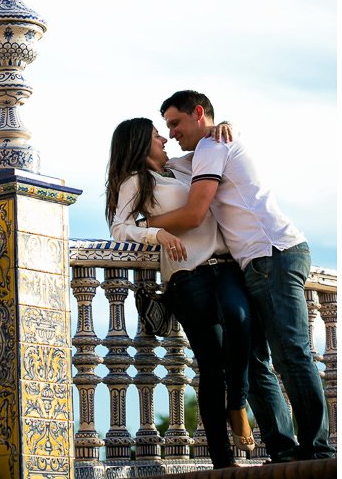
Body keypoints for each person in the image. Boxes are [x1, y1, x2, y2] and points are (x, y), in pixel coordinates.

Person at [145, 90, 336, 462]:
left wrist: (150, 225)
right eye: (166, 127)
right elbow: (168, 168)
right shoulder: (207, 149)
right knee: (257, 359)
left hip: (273, 254)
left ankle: (317, 449)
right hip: (256, 262)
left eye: (176, 123)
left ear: (199, 114)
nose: (171, 133)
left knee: (291, 354)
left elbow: (196, 213)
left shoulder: (214, 148)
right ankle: (283, 447)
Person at [105, 117, 258, 469]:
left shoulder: (185, 165)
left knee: (240, 320)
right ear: (140, 143)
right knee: (210, 363)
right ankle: (222, 459)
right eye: (157, 134)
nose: (164, 138)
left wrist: (224, 125)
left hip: (225, 264)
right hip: (188, 276)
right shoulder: (135, 181)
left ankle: (237, 402)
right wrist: (156, 235)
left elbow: (221, 152)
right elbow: (120, 229)